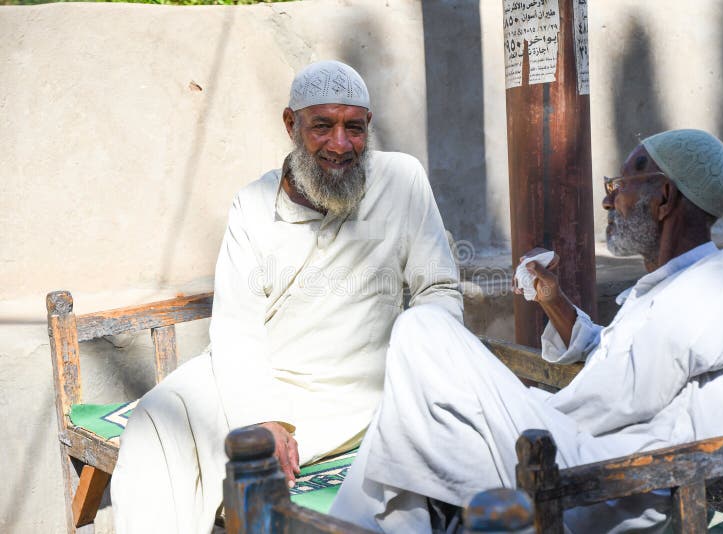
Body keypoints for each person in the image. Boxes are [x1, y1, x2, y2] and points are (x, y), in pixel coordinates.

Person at [330, 129, 723, 533]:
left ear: (664, 197)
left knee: (422, 329)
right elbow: (616, 359)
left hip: (623, 482)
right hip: (585, 456)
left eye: (617, 188)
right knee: (409, 407)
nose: (607, 203)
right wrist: (553, 301)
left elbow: (631, 393)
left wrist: (523, 406)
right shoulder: (663, 289)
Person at [110, 60, 463, 534]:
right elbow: (237, 327)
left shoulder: (403, 181)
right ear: (290, 124)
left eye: (353, 128)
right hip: (264, 376)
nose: (340, 144)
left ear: (368, 128)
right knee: (156, 419)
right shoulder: (253, 206)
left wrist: (422, 366)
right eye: (322, 126)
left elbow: (437, 288)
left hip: (362, 389)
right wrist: (264, 417)